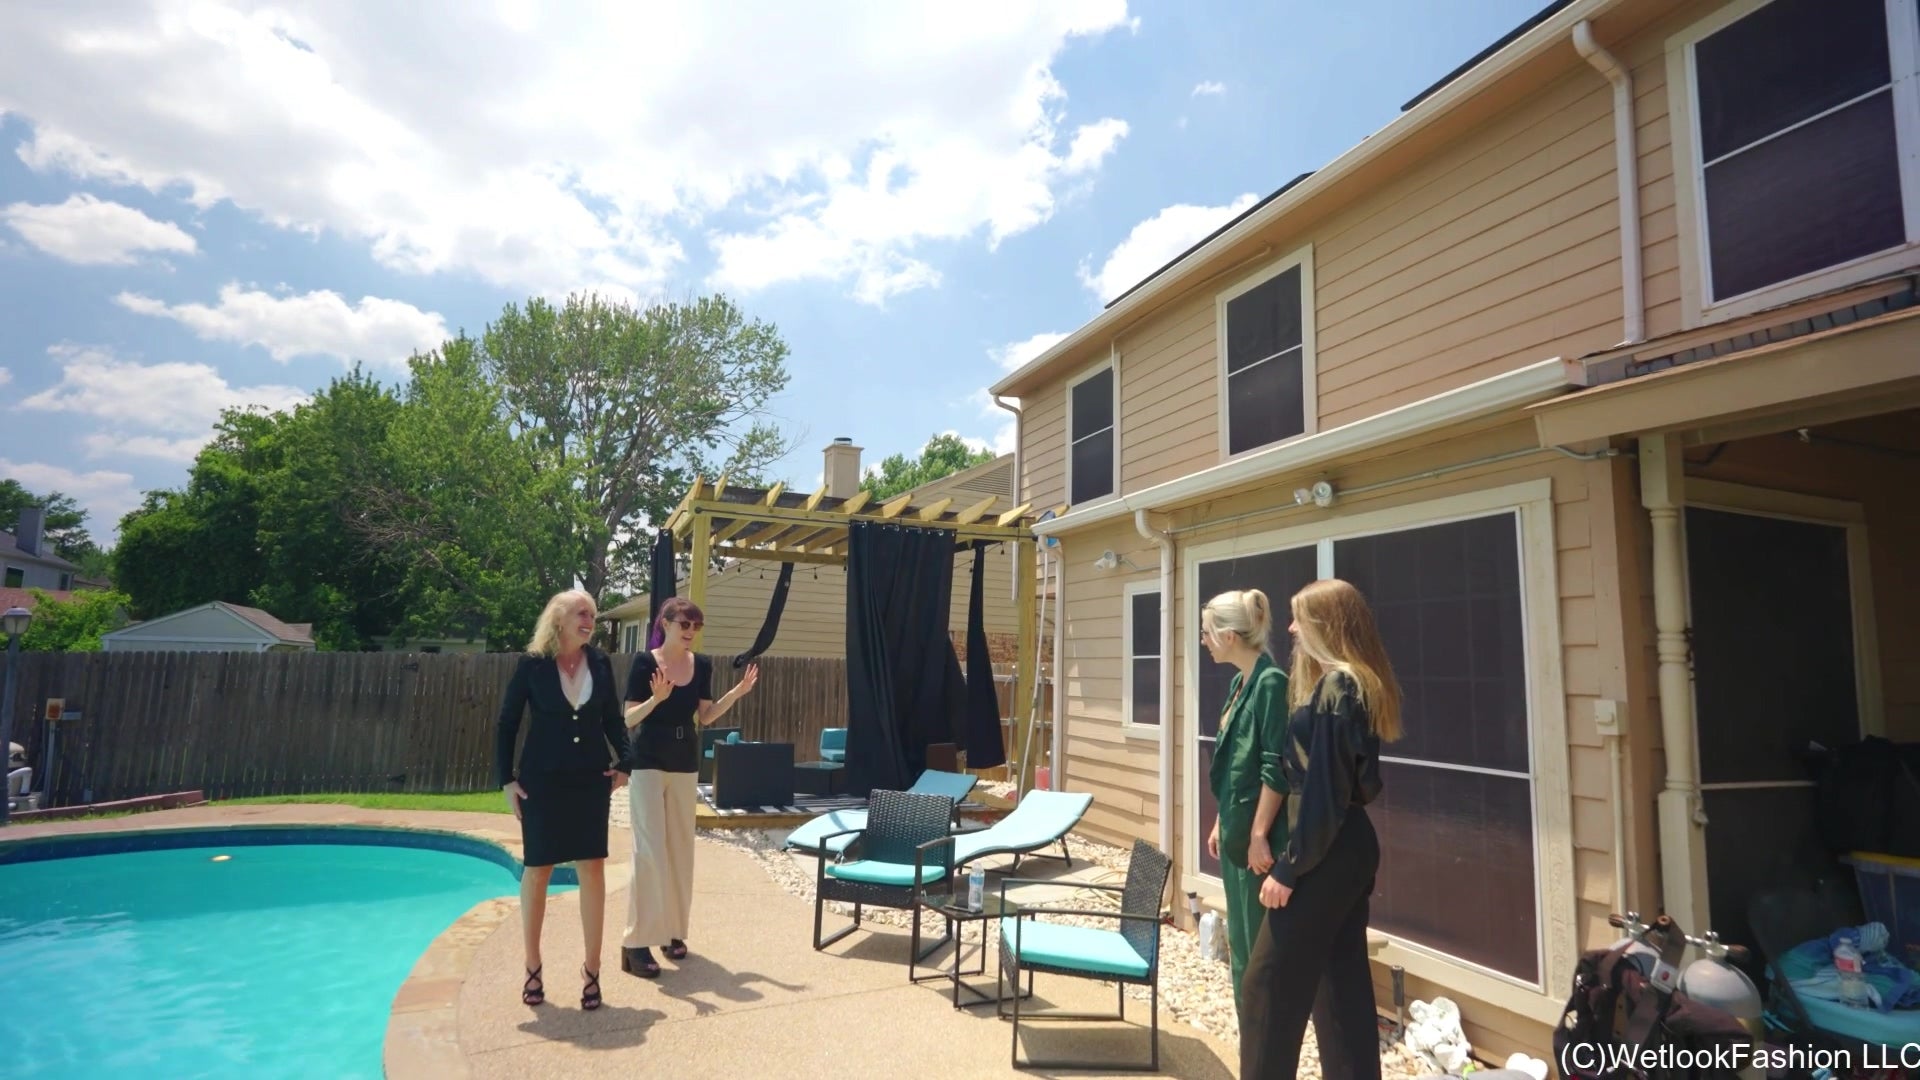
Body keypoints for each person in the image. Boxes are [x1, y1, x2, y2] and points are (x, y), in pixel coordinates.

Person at [1241, 578, 1403, 1080]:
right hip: (1349, 845)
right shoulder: (1359, 681)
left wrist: (1290, 868)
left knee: (1265, 985)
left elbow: (1325, 793)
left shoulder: (1338, 684)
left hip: (1325, 850)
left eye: (1299, 618)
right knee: (1340, 982)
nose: (1290, 628)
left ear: (1326, 625)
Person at [495, 589, 632, 1012]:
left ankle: (592, 969)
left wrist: (626, 759)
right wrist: (506, 780)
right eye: (581, 613)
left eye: (592, 613)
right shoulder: (533, 665)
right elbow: (507, 722)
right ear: (559, 619)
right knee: (538, 869)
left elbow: (612, 719)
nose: (590, 619)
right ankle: (533, 964)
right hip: (542, 783)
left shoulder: (602, 663)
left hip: (590, 780)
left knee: (592, 868)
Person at [619, 597, 757, 978]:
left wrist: (736, 694)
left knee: (680, 850)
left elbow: (706, 715)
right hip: (647, 762)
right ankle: (634, 944)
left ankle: (672, 932)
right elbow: (628, 717)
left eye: (696, 625)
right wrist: (656, 699)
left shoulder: (703, 665)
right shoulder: (645, 663)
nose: (691, 631)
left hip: (683, 763)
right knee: (649, 852)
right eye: (685, 623)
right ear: (665, 623)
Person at [1200, 587, 1289, 1022]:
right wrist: (1221, 820)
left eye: (1207, 632)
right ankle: (1248, 1041)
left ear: (1229, 635)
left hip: (1258, 842)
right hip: (1236, 834)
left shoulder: (1271, 684)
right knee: (1239, 940)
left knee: (1257, 947)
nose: (1204, 641)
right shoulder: (1239, 683)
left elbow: (1275, 767)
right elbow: (1235, 761)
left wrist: (1257, 835)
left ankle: (1264, 1041)